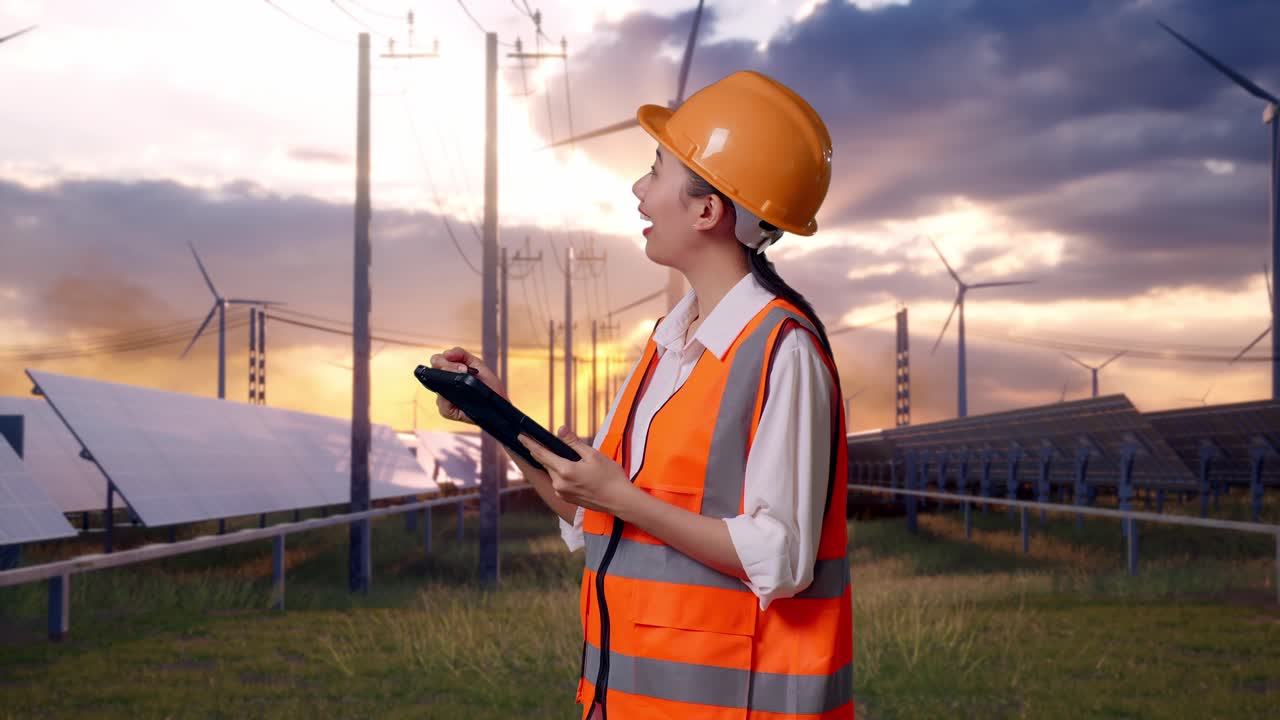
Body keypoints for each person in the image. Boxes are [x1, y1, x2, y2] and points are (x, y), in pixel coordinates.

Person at [430, 70, 852, 720]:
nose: (638, 189)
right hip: (622, 701)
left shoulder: (782, 352)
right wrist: (498, 417)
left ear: (708, 209)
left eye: (655, 171)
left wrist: (619, 496)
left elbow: (780, 559)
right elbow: (590, 516)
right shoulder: (667, 346)